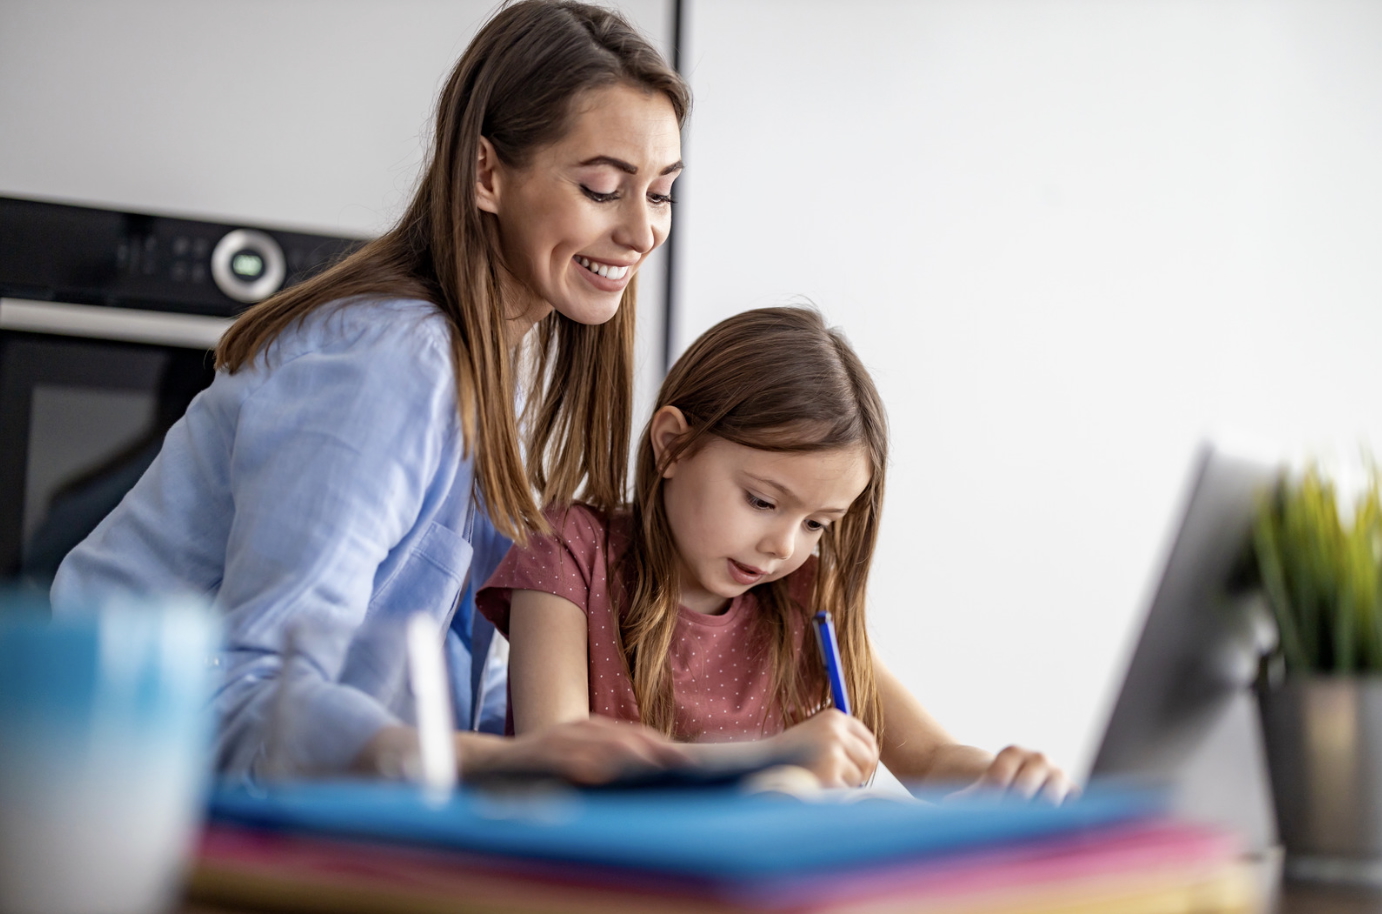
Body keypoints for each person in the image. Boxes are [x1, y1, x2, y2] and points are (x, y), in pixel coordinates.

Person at [50, 0, 691, 786]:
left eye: (660, 193)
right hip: (100, 779)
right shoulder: (393, 360)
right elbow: (250, 686)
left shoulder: (498, 371)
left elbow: (449, 663)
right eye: (602, 188)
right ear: (486, 175)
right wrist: (494, 758)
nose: (642, 231)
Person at [478, 308, 1076, 798]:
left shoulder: (804, 597)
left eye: (818, 523)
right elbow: (556, 758)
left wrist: (1000, 779)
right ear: (673, 446)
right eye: (763, 502)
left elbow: (929, 756)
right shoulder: (568, 553)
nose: (783, 547)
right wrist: (769, 758)